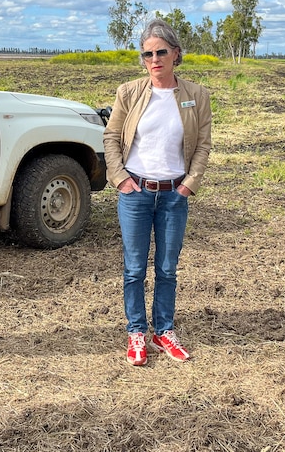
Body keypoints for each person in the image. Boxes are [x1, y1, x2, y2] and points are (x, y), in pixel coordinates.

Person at [103, 19, 212, 366]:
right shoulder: (129, 92)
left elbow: (203, 145)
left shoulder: (196, 95)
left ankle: (164, 332)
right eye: (147, 53)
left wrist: (188, 185)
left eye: (161, 52)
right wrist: (120, 178)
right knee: (134, 269)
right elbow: (110, 137)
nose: (154, 59)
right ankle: (136, 332)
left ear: (176, 54)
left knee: (167, 268)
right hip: (135, 193)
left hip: (172, 196)